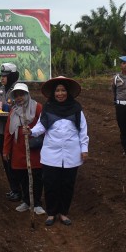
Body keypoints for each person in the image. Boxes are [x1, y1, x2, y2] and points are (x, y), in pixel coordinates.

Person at [31, 76, 89, 227]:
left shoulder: (76, 109)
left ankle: (63, 213)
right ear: (53, 93)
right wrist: (30, 131)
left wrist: (84, 149)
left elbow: (83, 130)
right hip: (51, 153)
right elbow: (41, 126)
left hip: (71, 152)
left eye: (63, 90)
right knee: (51, 184)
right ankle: (51, 213)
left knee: (67, 184)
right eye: (57, 91)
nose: (60, 93)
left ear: (68, 92)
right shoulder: (48, 108)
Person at [3, 83, 44, 215]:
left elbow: (45, 125)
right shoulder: (13, 111)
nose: (19, 98)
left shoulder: (37, 107)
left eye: (21, 95)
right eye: (16, 95)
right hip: (19, 149)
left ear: (27, 95)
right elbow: (8, 132)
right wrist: (6, 150)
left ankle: (37, 203)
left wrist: (33, 132)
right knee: (23, 176)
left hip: (34, 148)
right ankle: (26, 201)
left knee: (36, 176)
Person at [0, 63, 21, 201]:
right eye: (1, 76)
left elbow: (20, 109)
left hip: (14, 131)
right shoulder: (0, 90)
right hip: (1, 130)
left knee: (15, 160)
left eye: (5, 76)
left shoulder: (19, 90)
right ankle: (13, 189)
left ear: (12, 76)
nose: (2, 78)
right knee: (5, 160)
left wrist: (6, 109)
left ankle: (20, 190)